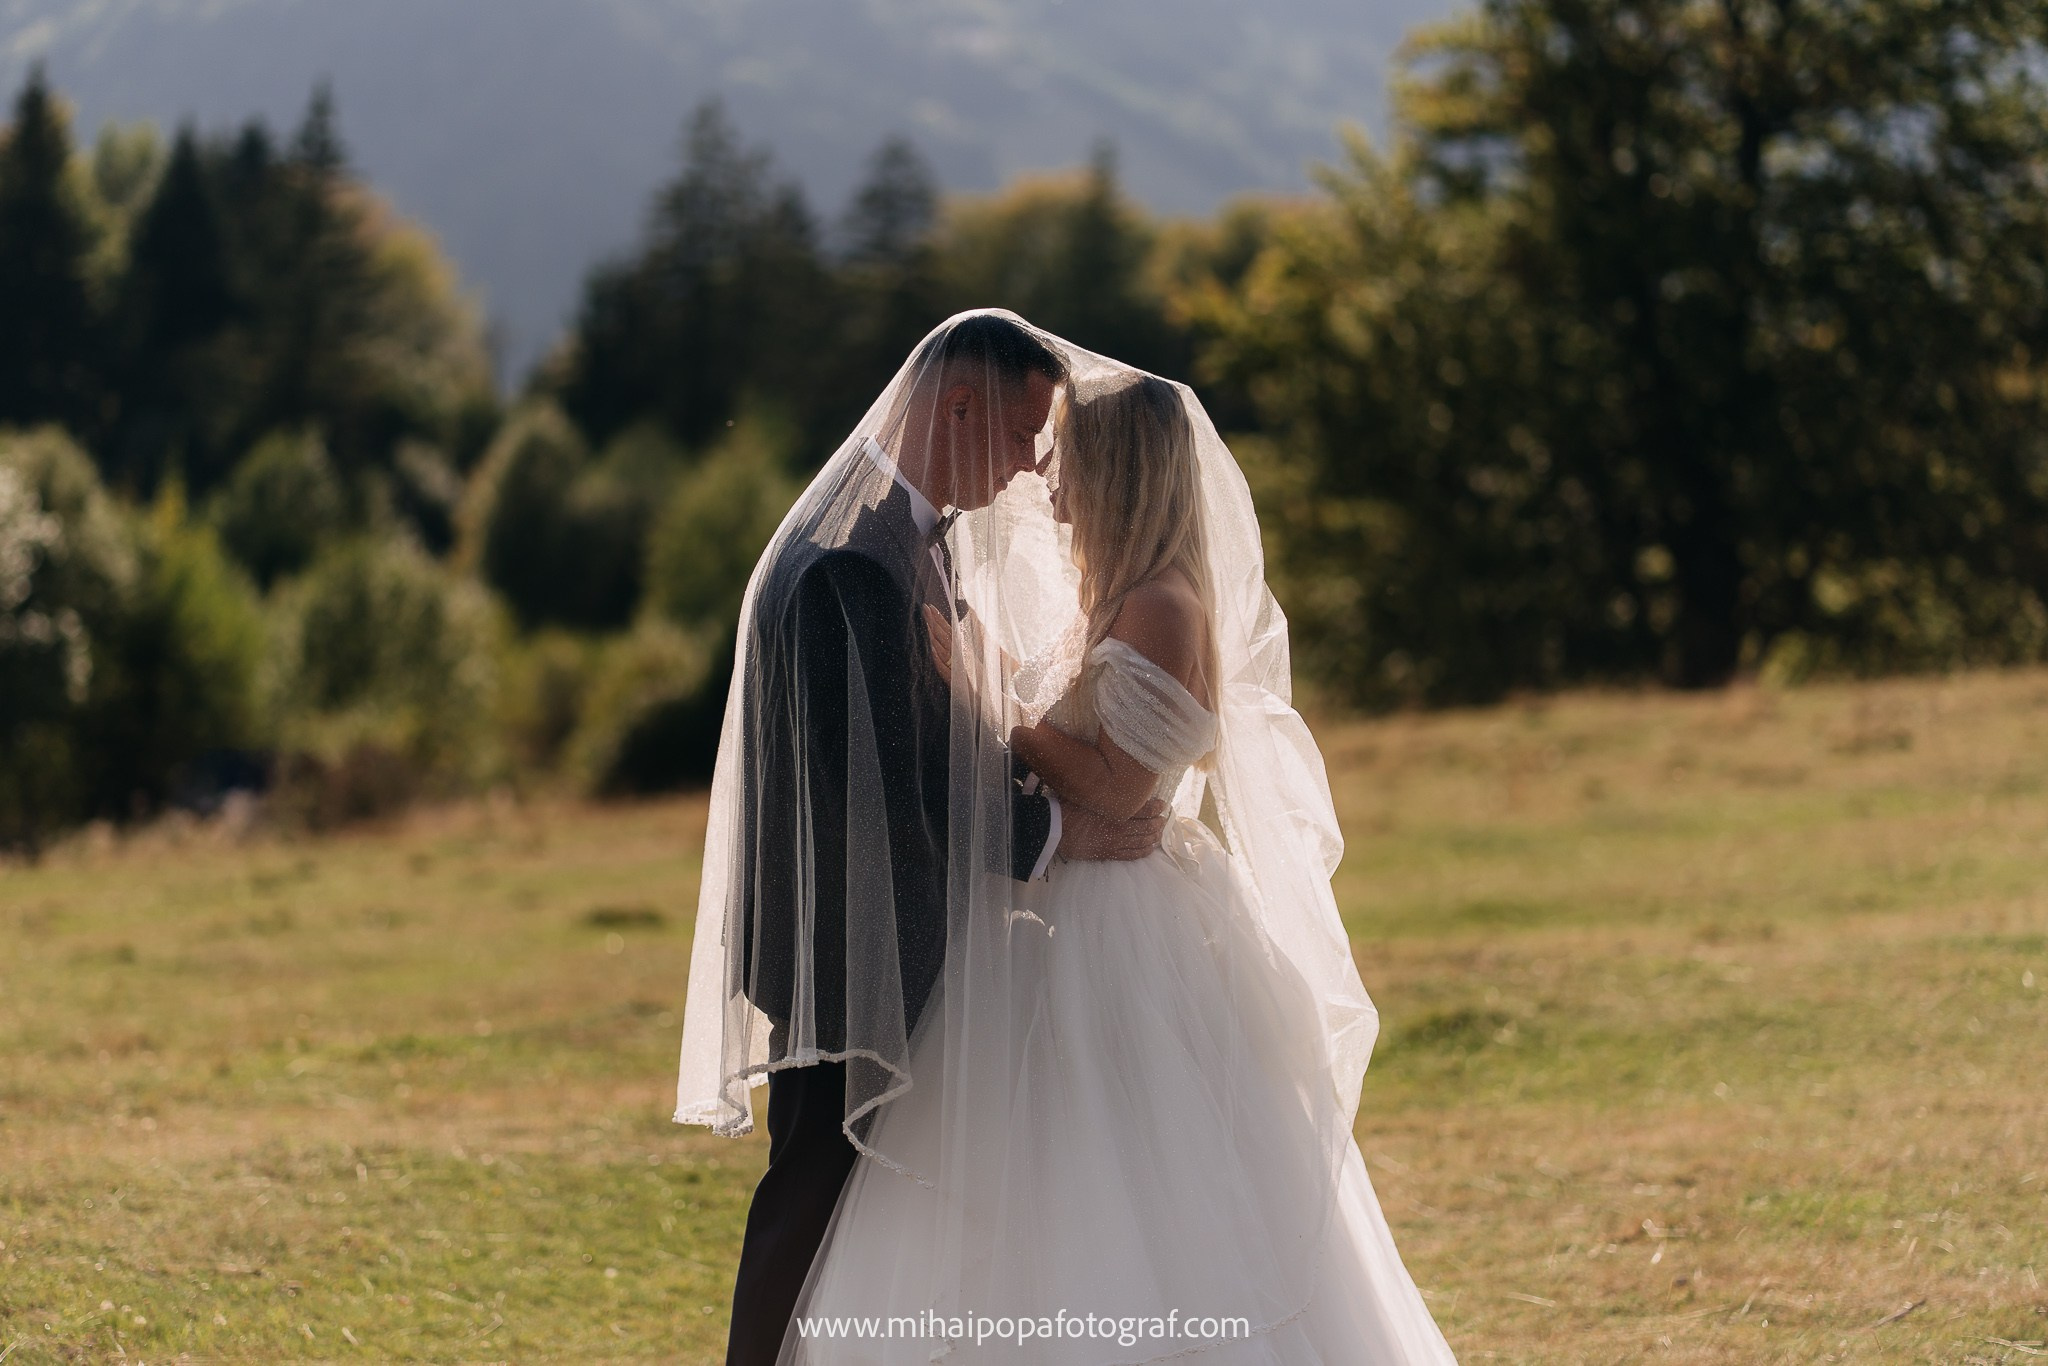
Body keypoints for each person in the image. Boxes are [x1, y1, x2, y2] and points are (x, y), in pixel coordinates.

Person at [760, 349, 1461, 1362]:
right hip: (1066, 906)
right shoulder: (1120, 595)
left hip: (1125, 924)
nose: (1041, 474)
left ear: (1118, 470)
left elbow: (1118, 789)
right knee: (1039, 1166)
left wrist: (987, 700)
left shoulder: (1163, 607)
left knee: (1127, 1160)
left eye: (1064, 456)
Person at [674, 312, 1170, 1366]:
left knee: (858, 1201)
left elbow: (937, 730)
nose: (1036, 465)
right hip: (851, 941)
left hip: (885, 926)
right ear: (954, 406)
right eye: (1021, 434)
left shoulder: (893, 533)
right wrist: (1059, 832)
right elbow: (898, 783)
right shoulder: (856, 558)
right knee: (811, 1194)